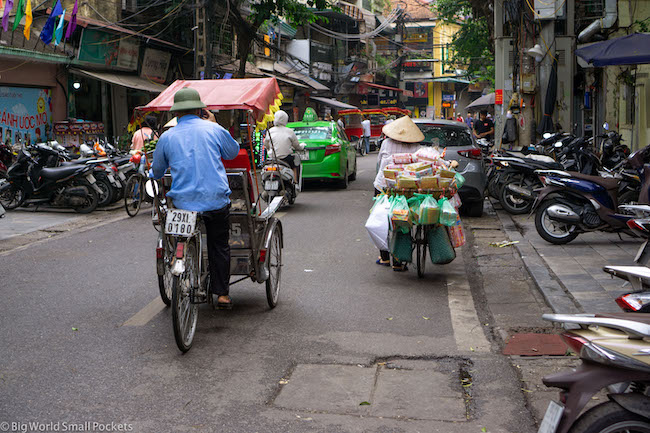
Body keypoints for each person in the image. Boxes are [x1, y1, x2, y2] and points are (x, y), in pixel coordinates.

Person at [150, 87, 240, 309]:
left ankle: (178, 255)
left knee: (179, 236)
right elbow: (232, 152)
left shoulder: (167, 137)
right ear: (200, 110)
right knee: (218, 245)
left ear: (177, 113)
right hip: (216, 200)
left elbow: (158, 172)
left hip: (183, 204)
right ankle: (222, 295)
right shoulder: (213, 129)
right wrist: (215, 122)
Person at [373, 116, 424, 272]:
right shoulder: (417, 148)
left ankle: (385, 257)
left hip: (384, 186)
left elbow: (379, 164)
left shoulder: (386, 143)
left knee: (382, 220)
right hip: (408, 188)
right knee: (403, 219)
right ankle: (398, 259)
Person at [264, 110, 305, 184]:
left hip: (272, 159)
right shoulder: (289, 131)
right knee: (294, 164)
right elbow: (297, 146)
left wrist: (269, 149)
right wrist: (302, 147)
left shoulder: (270, 131)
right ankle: (295, 182)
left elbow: (266, 144)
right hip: (285, 159)